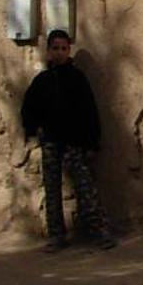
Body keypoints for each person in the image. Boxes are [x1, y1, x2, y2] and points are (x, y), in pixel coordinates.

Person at [20, 30, 116, 250]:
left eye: (64, 48)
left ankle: (99, 231)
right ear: (49, 51)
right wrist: (35, 129)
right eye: (56, 48)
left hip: (75, 143)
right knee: (52, 189)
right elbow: (28, 108)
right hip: (51, 142)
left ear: (69, 50)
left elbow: (89, 112)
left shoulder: (77, 79)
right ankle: (56, 235)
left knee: (86, 187)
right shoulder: (42, 81)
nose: (60, 53)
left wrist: (92, 142)